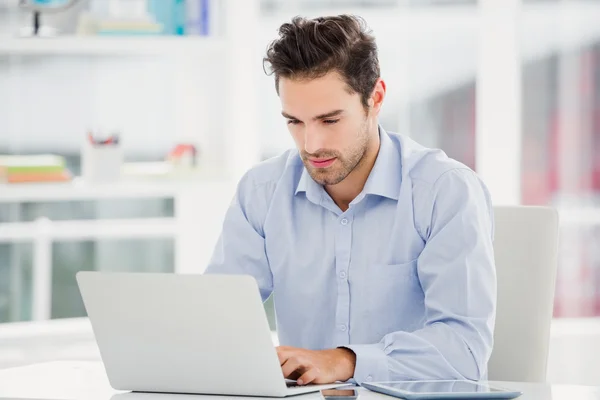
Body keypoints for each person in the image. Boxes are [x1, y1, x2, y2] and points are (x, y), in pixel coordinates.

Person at [205, 15, 496, 386]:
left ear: (375, 98)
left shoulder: (445, 191)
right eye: (295, 121)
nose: (311, 145)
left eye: (329, 120)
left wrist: (346, 361)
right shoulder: (261, 192)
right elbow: (218, 325)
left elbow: (465, 351)